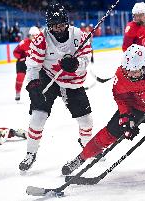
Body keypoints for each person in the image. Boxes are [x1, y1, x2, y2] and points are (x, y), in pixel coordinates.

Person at [61, 44, 145, 175]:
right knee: (108, 134)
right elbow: (120, 97)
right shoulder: (121, 75)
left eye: (134, 71)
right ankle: (80, 158)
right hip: (136, 107)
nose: (130, 74)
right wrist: (125, 116)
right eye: (127, 70)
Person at [19, 3, 93, 172]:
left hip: (72, 81)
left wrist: (75, 64)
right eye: (54, 25)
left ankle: (87, 145)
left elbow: (86, 60)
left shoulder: (79, 35)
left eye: (61, 24)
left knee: (86, 120)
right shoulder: (41, 39)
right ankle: (31, 153)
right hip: (49, 77)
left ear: (66, 22)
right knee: (38, 116)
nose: (58, 29)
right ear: (48, 25)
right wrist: (33, 86)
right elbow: (32, 66)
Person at [13, 26, 40, 101]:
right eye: (33, 35)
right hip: (23, 63)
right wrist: (20, 57)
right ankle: (17, 92)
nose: (34, 37)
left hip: (34, 64)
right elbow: (15, 52)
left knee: (36, 80)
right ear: (30, 35)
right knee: (20, 78)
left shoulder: (41, 44)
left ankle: (37, 94)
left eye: (36, 36)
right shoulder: (23, 43)